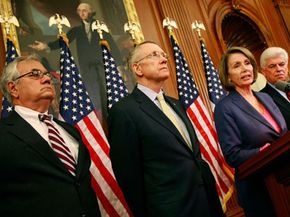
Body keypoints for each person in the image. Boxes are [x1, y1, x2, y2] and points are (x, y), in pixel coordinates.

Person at [107, 41, 224, 217]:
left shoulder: (176, 104)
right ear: (138, 69)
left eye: (164, 55)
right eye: (154, 55)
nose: (163, 60)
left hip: (206, 203)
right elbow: (129, 177)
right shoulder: (124, 111)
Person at [0, 55, 101, 217]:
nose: (47, 79)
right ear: (13, 89)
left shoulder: (70, 130)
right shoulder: (4, 134)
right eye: (35, 74)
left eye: (47, 75)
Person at [214, 47, 287, 217]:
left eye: (247, 63)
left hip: (283, 179)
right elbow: (232, 155)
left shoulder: (266, 98)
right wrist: (262, 152)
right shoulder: (225, 108)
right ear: (228, 76)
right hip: (258, 189)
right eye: (237, 66)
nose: (245, 68)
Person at [29, 2, 122, 120]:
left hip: (102, 66)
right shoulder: (77, 30)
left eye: (84, 10)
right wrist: (46, 46)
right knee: (93, 93)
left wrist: (119, 65)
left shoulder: (100, 27)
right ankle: (99, 118)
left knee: (107, 92)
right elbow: (64, 40)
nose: (81, 13)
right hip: (87, 68)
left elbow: (112, 45)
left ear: (91, 12)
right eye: (79, 11)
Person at [260, 47, 290, 129]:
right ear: (263, 72)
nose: (279, 69)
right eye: (272, 66)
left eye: (282, 64)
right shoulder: (262, 97)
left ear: (287, 67)